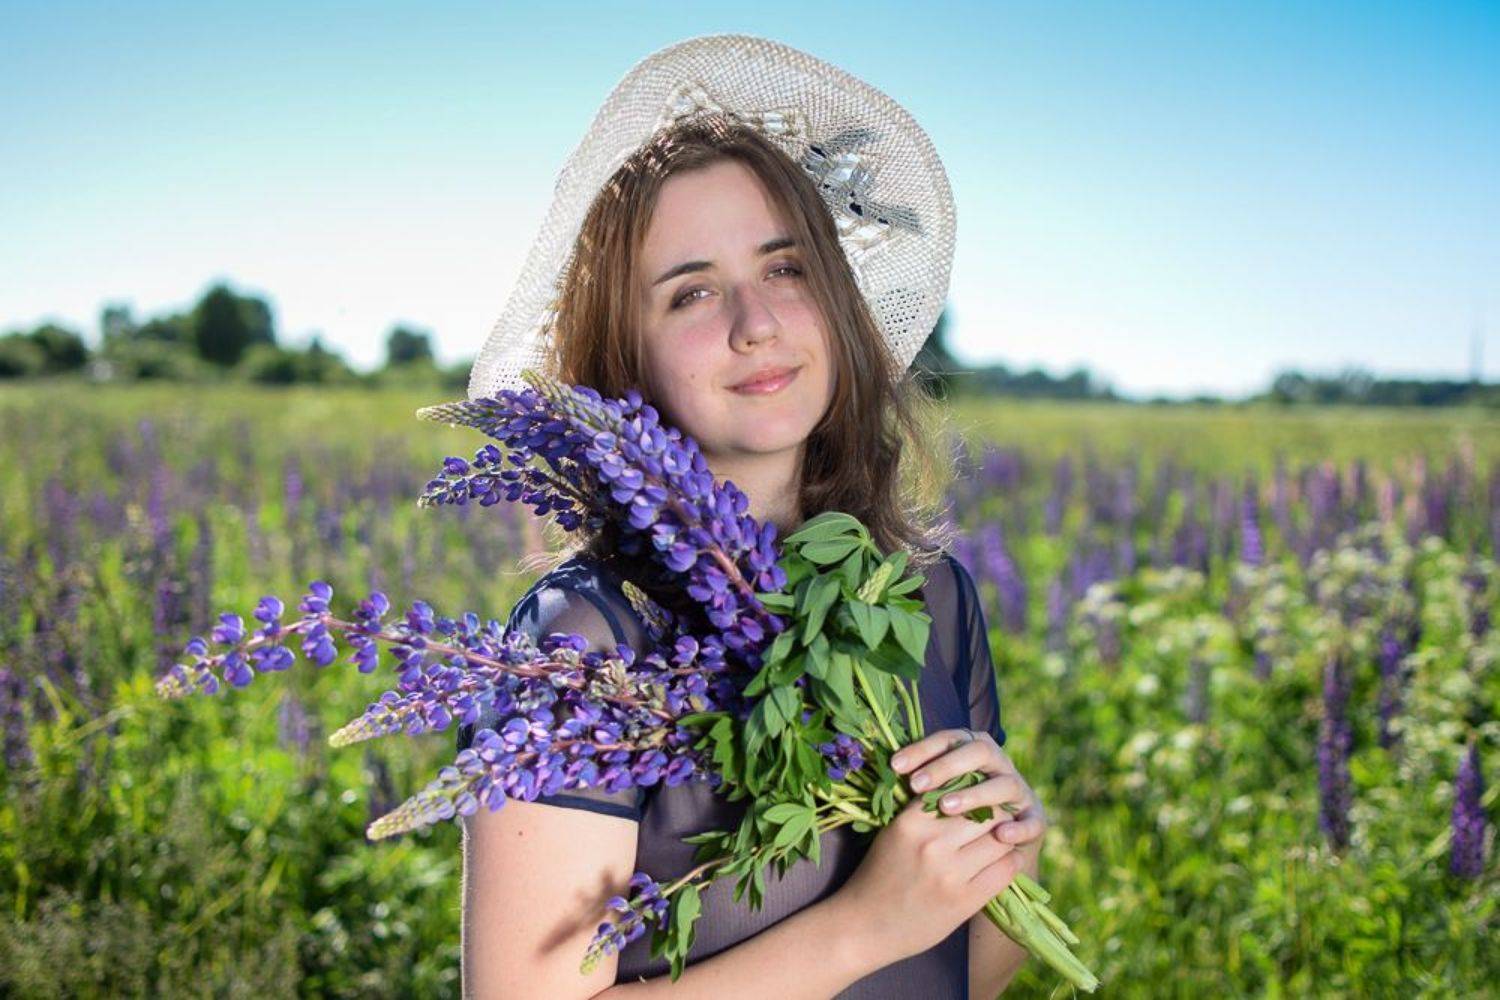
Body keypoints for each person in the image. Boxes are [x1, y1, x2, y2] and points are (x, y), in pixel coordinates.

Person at [453, 35, 1048, 999]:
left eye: (786, 269)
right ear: (626, 358)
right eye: (691, 292)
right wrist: (863, 927)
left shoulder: (929, 598)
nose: (756, 323)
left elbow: (963, 975)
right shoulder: (592, 641)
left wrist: (1006, 861)